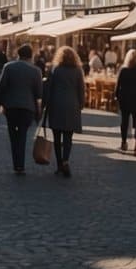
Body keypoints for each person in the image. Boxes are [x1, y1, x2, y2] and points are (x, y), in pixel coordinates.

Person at [0, 44, 43, 174]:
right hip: (27, 107)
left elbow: (0, 87)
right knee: (22, 135)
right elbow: (39, 93)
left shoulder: (9, 67)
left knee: (13, 134)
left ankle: (16, 163)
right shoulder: (36, 71)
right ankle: (20, 165)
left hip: (11, 106)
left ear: (18, 54)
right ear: (31, 56)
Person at [43, 46, 84, 177]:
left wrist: (45, 104)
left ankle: (59, 163)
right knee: (68, 136)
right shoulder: (78, 71)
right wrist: (81, 104)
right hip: (72, 105)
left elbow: (49, 88)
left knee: (56, 137)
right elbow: (81, 90)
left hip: (56, 105)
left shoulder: (56, 70)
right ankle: (66, 160)